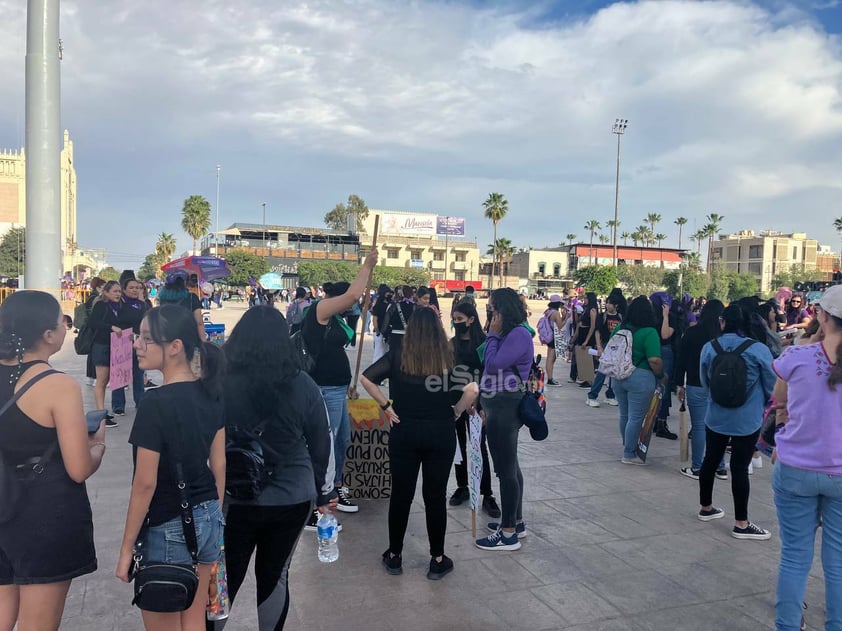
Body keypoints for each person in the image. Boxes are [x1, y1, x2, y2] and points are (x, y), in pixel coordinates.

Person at [214, 306, 335, 630]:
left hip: (234, 497)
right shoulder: (304, 385)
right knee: (274, 576)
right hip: (293, 497)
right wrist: (322, 489)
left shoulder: (219, 383)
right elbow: (321, 442)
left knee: (224, 578)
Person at [0, 291, 106, 631]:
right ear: (48, 335)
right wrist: (98, 446)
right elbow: (78, 469)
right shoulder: (57, 385)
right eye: (62, 320)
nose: (66, 325)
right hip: (43, 514)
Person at [116, 305, 226, 629]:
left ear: (175, 346)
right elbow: (219, 462)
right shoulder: (213, 393)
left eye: (147, 339)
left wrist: (126, 550)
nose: (137, 344)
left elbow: (145, 484)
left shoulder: (155, 403)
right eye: (138, 336)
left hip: (169, 525)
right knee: (193, 618)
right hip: (208, 517)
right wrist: (215, 511)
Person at [360, 307, 478, 579]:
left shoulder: (399, 355)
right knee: (434, 496)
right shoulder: (449, 356)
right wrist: (457, 410)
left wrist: (386, 406)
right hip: (440, 432)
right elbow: (472, 389)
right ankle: (437, 558)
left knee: (402, 494)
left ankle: (394, 555)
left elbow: (366, 378)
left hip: (405, 430)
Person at [771, 285, 842, 630]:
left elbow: (779, 400)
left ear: (822, 316)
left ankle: (787, 625)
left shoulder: (796, 357)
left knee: (795, 557)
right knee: (839, 561)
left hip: (796, 468)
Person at [301, 249, 378, 528]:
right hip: (322, 388)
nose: (351, 306)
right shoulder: (319, 310)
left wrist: (349, 385)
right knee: (325, 445)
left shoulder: (337, 319)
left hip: (337, 388)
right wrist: (367, 266)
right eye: (345, 302)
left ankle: (335, 487)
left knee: (341, 441)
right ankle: (317, 503)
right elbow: (353, 296)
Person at [697, 304, 775, 539]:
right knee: (739, 467)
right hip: (747, 419)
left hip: (716, 416)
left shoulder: (709, 347)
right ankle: (741, 522)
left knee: (710, 459)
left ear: (723, 322)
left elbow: (704, 381)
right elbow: (772, 385)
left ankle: (706, 507)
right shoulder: (758, 349)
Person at [474, 288, 534, 551]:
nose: (490, 312)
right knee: (511, 466)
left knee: (505, 470)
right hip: (497, 401)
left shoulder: (518, 334)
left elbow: (492, 363)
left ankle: (508, 532)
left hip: (504, 404)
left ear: (503, 309)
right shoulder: (512, 333)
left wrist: (493, 335)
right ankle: (516, 521)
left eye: (493, 308)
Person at [447, 301, 500, 518]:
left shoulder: (485, 344)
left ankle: (487, 493)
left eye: (460, 319)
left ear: (471, 319)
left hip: (479, 403)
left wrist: (478, 403)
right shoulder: (452, 344)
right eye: (454, 319)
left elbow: (488, 375)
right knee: (458, 446)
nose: (456, 323)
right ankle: (462, 486)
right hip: (456, 402)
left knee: (479, 447)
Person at [675, 300, 727, 480]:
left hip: (696, 383)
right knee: (719, 425)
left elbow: (681, 359)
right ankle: (720, 467)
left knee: (698, 426)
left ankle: (697, 467)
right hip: (720, 385)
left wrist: (679, 383)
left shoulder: (692, 332)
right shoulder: (723, 336)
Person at [611, 296, 663, 465]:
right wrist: (662, 375)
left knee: (624, 414)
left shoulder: (619, 328)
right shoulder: (650, 332)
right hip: (640, 377)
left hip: (618, 376)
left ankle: (628, 445)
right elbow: (654, 359)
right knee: (636, 417)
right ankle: (629, 453)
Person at [88, 280, 128, 427]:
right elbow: (93, 323)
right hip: (102, 345)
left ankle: (106, 411)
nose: (118, 294)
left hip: (117, 347)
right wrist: (111, 327)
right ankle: (101, 413)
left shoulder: (121, 306)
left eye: (119, 291)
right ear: (106, 292)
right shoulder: (101, 305)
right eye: (114, 291)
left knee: (115, 379)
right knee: (102, 380)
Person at [111, 276, 148, 417]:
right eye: (131, 288)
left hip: (138, 341)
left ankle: (140, 401)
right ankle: (118, 405)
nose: (135, 290)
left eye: (137, 288)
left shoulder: (142, 304)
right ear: (124, 290)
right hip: (121, 342)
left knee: (138, 373)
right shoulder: (119, 304)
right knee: (120, 374)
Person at [586, 293, 624, 407]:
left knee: (613, 372)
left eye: (609, 303)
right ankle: (592, 396)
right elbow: (597, 332)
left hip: (616, 347)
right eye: (606, 303)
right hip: (605, 345)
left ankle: (610, 395)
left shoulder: (620, 317)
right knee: (602, 371)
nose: (607, 305)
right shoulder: (602, 316)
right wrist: (599, 346)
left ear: (616, 305)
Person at [650, 292, 678, 440]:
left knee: (661, 387)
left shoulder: (665, 317)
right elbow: (663, 335)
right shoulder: (654, 317)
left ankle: (659, 421)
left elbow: (664, 335)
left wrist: (665, 316)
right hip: (658, 351)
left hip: (659, 352)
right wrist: (665, 316)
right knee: (659, 387)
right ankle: (658, 422)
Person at [157, 273, 205, 340]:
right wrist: (204, 343)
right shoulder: (191, 297)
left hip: (168, 336)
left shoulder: (163, 299)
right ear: (184, 282)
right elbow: (199, 323)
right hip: (188, 336)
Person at [83, 277, 105, 387]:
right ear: (98, 287)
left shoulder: (90, 296)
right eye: (103, 287)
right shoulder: (96, 298)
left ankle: (91, 377)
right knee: (95, 354)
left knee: (92, 354)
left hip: (91, 329)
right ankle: (95, 377)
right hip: (94, 330)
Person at [542, 295, 566, 387]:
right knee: (551, 359)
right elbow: (560, 326)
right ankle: (550, 379)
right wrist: (566, 317)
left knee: (550, 358)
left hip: (549, 336)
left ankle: (550, 378)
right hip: (554, 336)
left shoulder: (548, 311)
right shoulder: (556, 313)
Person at [370, 284, 393, 363]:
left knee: (382, 352)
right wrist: (377, 332)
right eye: (387, 292)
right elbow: (375, 319)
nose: (388, 294)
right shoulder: (379, 303)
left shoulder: (388, 303)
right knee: (378, 353)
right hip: (379, 330)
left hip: (385, 330)